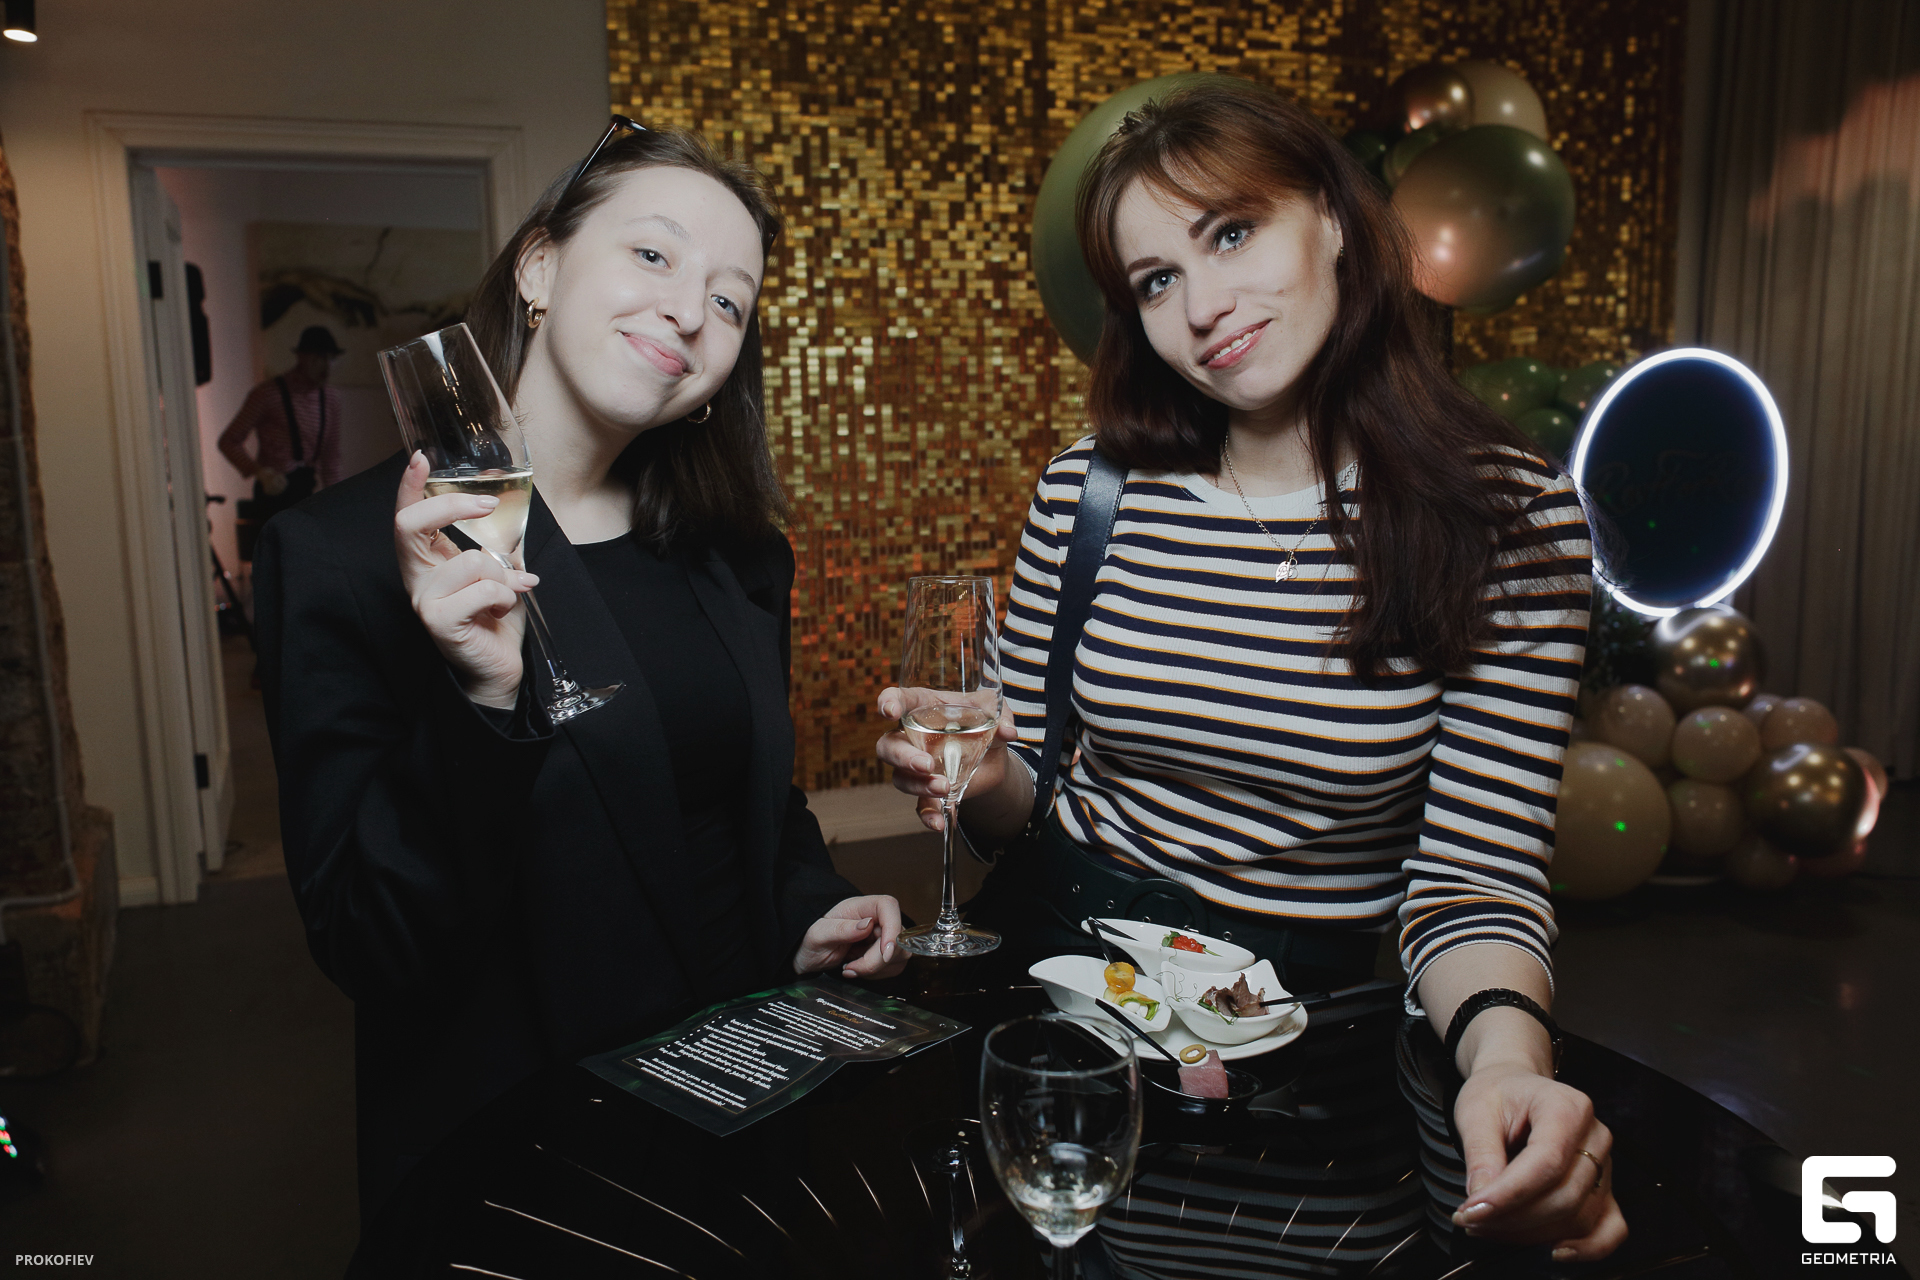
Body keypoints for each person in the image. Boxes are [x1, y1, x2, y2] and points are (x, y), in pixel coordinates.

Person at [877, 82, 1626, 1262]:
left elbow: (1475, 878)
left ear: (1331, 214)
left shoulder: (1508, 520)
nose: (1203, 306)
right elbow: (1026, 809)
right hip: (1059, 1031)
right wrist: (972, 772)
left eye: (1232, 233)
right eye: (1155, 280)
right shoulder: (1088, 492)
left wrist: (1504, 1062)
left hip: (1309, 1083)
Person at [254, 122, 906, 1224]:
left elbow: (739, 799)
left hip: (744, 1099)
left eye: (730, 300)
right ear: (540, 268)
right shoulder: (340, 556)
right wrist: (479, 697)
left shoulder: (737, 552)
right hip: (529, 1152)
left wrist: (808, 905)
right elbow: (372, 942)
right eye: (652, 254)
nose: (690, 310)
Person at [220, 324, 347, 557]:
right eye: (318, 358)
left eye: (331, 359)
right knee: (276, 559)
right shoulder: (267, 394)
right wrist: (259, 472)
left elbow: (331, 458)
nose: (326, 366)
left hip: (306, 492)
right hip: (273, 494)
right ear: (301, 357)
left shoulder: (331, 399)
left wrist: (337, 501)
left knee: (306, 557)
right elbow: (229, 440)